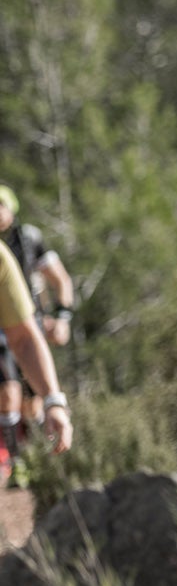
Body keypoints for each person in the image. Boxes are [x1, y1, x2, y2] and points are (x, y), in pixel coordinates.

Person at [0, 184, 74, 464]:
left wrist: (63, 317)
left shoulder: (27, 240)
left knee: (30, 401)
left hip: (21, 318)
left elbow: (61, 280)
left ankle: (24, 459)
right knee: (8, 391)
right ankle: (13, 458)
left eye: (1, 204)